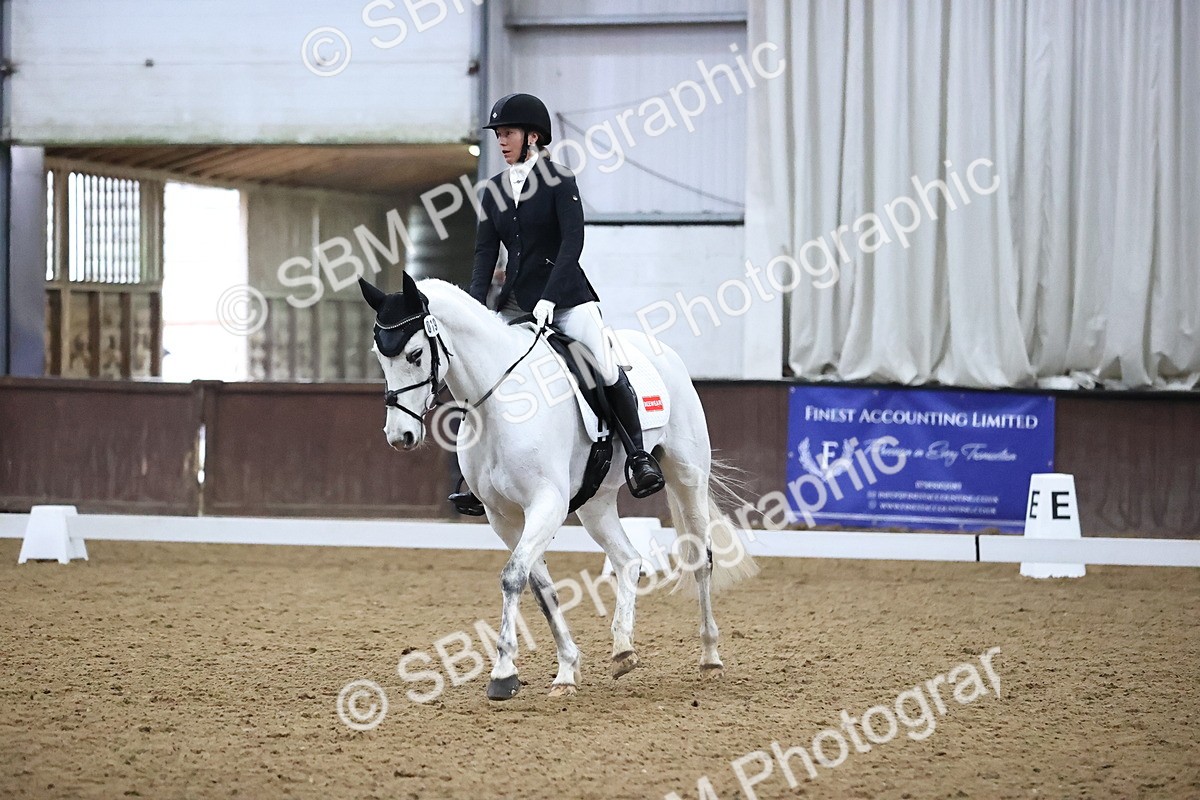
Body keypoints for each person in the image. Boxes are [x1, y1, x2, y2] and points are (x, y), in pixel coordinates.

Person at [449, 92, 664, 515]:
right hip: (513, 304)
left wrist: (550, 297)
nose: (502, 141)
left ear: (532, 136)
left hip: (566, 299)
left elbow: (572, 244)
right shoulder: (492, 190)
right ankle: (479, 477)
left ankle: (638, 457)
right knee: (485, 376)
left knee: (600, 365)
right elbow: (483, 255)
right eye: (499, 134)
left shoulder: (559, 179)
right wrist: (476, 310)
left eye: (508, 133)